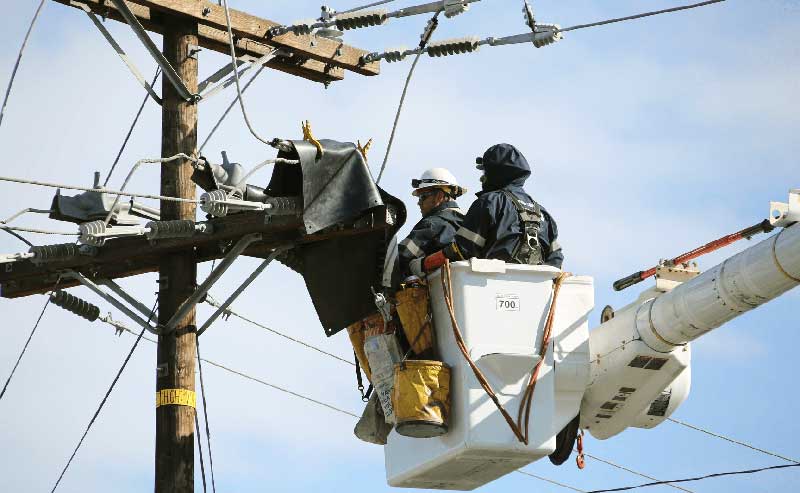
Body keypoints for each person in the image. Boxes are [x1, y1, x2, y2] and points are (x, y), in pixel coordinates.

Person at [421, 143, 563, 271]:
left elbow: (462, 250)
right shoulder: (543, 214)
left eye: (485, 172)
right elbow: (556, 261)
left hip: (489, 292)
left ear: (496, 172)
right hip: (534, 296)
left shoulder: (489, 203)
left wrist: (423, 264)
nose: (481, 178)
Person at [399, 168, 466, 280]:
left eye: (422, 197)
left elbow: (400, 256)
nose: (419, 203)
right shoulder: (468, 221)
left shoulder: (432, 224)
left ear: (439, 196)